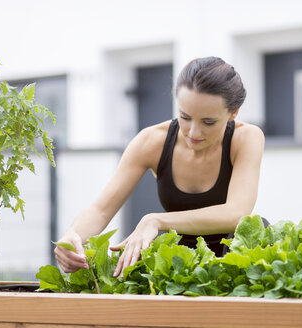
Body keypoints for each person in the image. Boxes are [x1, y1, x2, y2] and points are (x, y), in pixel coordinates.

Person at [54, 56, 265, 277]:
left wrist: (155, 219)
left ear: (233, 112)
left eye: (208, 122)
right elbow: (100, 210)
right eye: (185, 116)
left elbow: (236, 213)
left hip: (233, 260)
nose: (193, 133)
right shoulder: (151, 141)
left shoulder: (246, 138)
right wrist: (73, 235)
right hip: (177, 262)